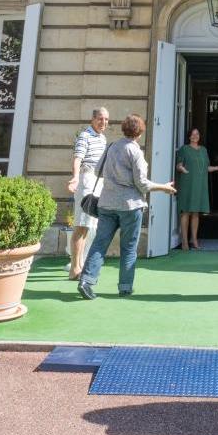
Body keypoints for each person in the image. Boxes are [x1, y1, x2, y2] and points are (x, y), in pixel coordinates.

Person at [78, 113, 176, 300]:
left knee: (99, 243)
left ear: (124, 128)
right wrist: (164, 187)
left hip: (106, 203)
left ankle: (86, 281)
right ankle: (125, 287)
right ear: (139, 132)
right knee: (129, 247)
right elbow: (142, 184)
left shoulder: (112, 146)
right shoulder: (135, 152)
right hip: (130, 206)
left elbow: (98, 169)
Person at [65, 107, 109, 279]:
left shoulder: (102, 138)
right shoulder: (85, 135)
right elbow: (77, 158)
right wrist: (75, 178)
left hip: (98, 181)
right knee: (81, 226)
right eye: (100, 118)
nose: (103, 122)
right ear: (92, 119)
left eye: (106, 119)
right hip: (86, 180)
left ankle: (80, 265)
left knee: (88, 227)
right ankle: (74, 269)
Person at [176, 127, 218, 251]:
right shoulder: (184, 149)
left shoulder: (203, 150)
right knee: (186, 212)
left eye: (197, 134)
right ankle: (184, 242)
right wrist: (182, 169)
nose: (195, 136)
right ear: (189, 137)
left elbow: (206, 167)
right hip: (187, 183)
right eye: (193, 134)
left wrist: (217, 168)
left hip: (200, 185)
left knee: (196, 213)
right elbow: (179, 165)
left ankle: (194, 240)